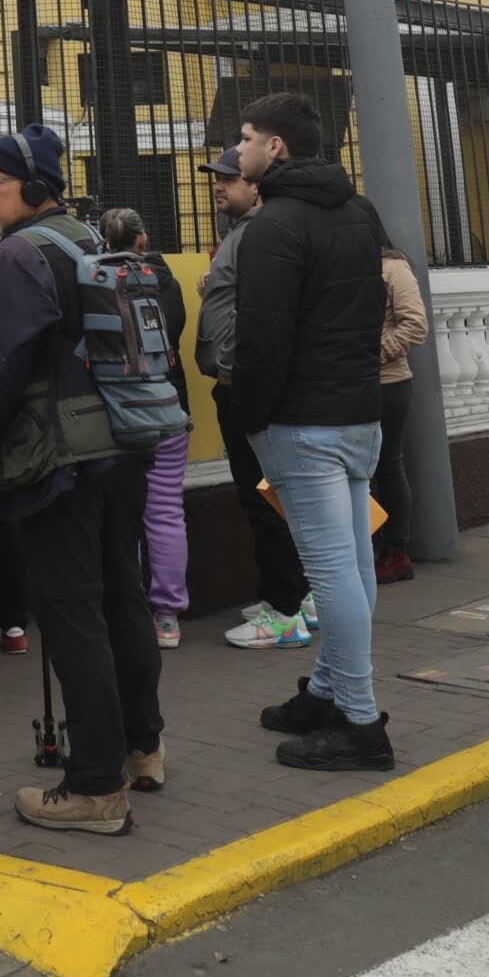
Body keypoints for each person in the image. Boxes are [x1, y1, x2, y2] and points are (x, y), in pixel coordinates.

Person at [0, 127, 165, 836]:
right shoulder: (86, 237)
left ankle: (95, 788)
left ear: (34, 186)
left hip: (60, 462)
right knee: (121, 596)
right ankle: (142, 748)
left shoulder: (20, 256)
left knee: (74, 615)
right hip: (122, 446)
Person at [227, 94, 395, 774]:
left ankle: (360, 724)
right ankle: (326, 695)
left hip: (305, 422)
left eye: (245, 139)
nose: (237, 151)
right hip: (358, 414)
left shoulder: (274, 227)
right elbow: (370, 310)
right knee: (352, 566)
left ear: (277, 150)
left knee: (332, 575)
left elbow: (263, 340)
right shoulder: (358, 214)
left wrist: (250, 415)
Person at [194, 149, 316, 651]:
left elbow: (263, 313)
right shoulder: (242, 235)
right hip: (241, 381)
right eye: (217, 180)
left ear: (256, 186)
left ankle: (284, 612)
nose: (219, 187)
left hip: (243, 384)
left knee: (264, 496)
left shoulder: (259, 235)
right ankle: (297, 596)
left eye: (230, 179)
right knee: (273, 496)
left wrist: (231, 371)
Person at [97, 206, 193, 647]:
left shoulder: (97, 283)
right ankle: (168, 616)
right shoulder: (165, 282)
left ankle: (128, 608)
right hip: (170, 405)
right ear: (144, 239)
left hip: (120, 410)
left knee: (124, 515)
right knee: (166, 511)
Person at [371, 224, 430, 586]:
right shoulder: (344, 264)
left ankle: (396, 550)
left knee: (388, 465)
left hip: (389, 383)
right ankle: (374, 548)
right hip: (350, 385)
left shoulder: (393, 268)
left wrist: (371, 355)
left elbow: (415, 326)